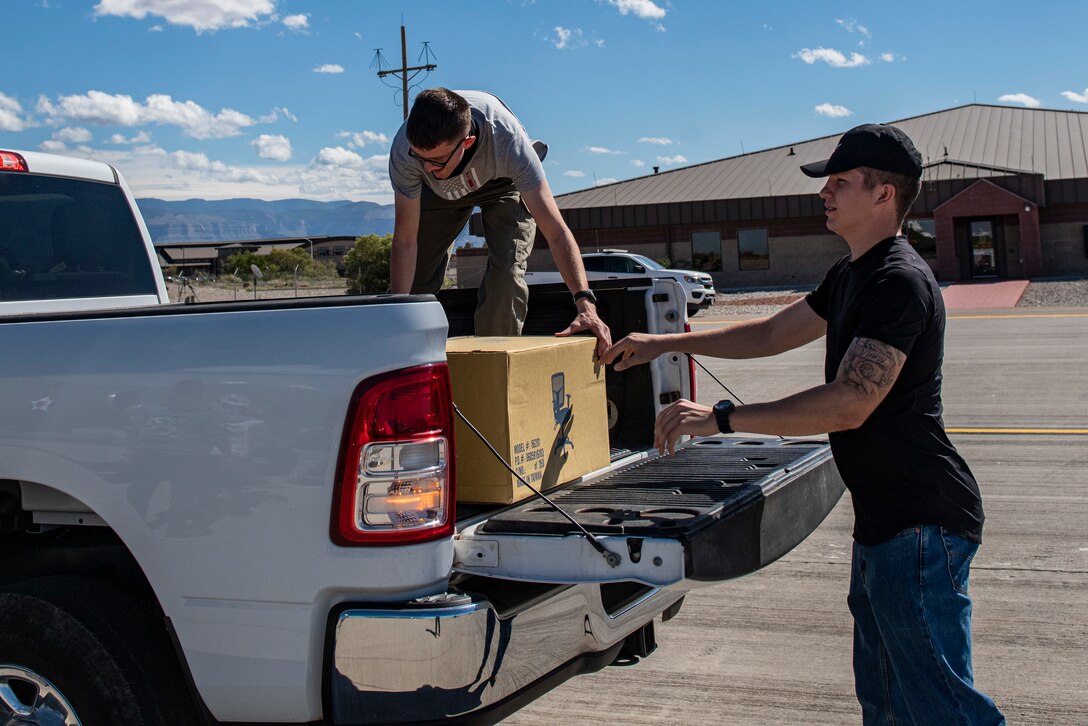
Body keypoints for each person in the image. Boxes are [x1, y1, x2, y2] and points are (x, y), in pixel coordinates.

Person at [601, 124, 1005, 725]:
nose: (826, 194)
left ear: (884, 195)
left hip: (921, 526)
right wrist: (663, 342)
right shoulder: (852, 274)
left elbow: (850, 402)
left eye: (840, 183)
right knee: (888, 705)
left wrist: (721, 418)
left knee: (943, 708)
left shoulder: (899, 280)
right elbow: (769, 334)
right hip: (884, 527)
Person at [388, 88, 610, 355]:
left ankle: (492, 361)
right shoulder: (406, 152)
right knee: (413, 289)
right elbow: (405, 239)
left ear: (466, 143)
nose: (426, 167)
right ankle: (407, 357)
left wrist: (585, 302)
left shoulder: (509, 142)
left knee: (506, 275)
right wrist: (398, 316)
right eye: (420, 158)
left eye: (435, 160)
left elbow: (556, 231)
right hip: (438, 193)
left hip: (502, 184)